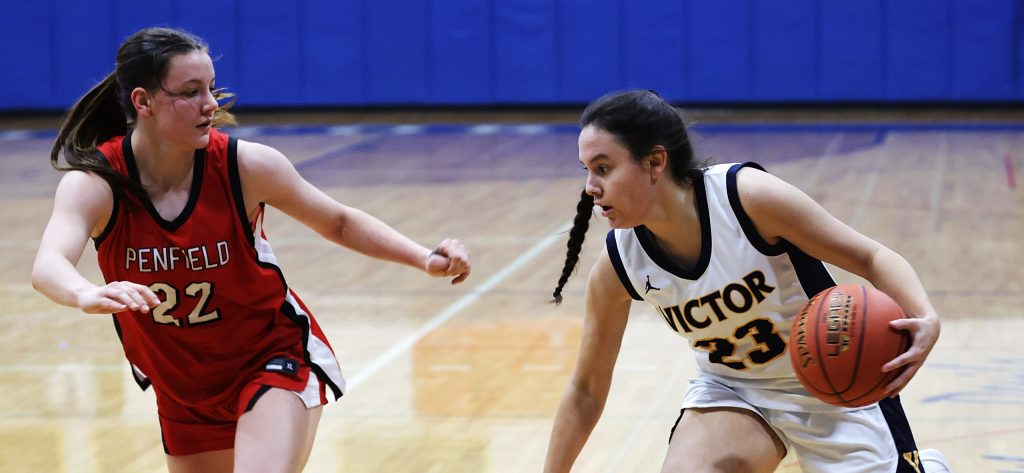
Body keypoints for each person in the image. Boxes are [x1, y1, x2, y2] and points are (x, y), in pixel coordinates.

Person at [31, 27, 471, 473]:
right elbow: (49, 263)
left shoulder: (245, 165)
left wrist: (422, 257)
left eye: (211, 88)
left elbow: (338, 220)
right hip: (182, 386)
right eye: (190, 91)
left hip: (270, 357)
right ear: (143, 102)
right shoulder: (97, 184)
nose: (211, 104)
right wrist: (81, 292)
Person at [543, 90, 951, 473]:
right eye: (587, 171)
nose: (590, 188)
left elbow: (870, 256)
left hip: (833, 383)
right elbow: (585, 391)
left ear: (654, 162)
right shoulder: (621, 261)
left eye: (603, 168)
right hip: (733, 391)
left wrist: (925, 316)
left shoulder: (746, 198)